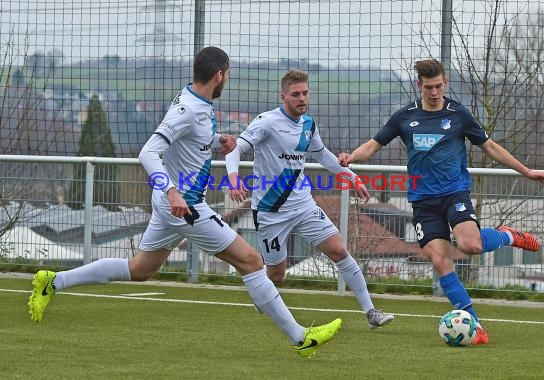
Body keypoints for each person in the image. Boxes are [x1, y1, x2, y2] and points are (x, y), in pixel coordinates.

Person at [28, 47, 341, 359]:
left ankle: (52, 282)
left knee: (140, 269)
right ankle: (301, 338)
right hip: (186, 206)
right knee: (252, 261)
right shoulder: (188, 109)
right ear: (219, 75)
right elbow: (148, 153)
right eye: (227, 75)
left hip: (175, 205)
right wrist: (172, 192)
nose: (227, 80)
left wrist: (220, 142)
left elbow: (192, 142)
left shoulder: (198, 102)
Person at [338, 59, 544, 344]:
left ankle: (506, 236)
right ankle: (474, 326)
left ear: (445, 83)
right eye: (429, 87)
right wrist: (351, 156)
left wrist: (526, 171)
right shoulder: (405, 117)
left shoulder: (458, 115)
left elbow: (489, 146)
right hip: (423, 201)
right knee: (440, 261)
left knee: (470, 245)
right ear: (420, 86)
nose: (435, 92)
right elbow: (374, 145)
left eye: (439, 86)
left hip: (454, 194)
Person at [225, 69, 395, 329]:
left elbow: (324, 155)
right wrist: (234, 177)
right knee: (276, 275)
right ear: (284, 97)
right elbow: (235, 149)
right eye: (296, 94)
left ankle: (371, 312)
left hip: (303, 206)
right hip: (271, 210)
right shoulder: (266, 122)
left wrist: (351, 177)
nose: (302, 98)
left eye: (305, 93)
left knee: (339, 249)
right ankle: (262, 295)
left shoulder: (309, 125)